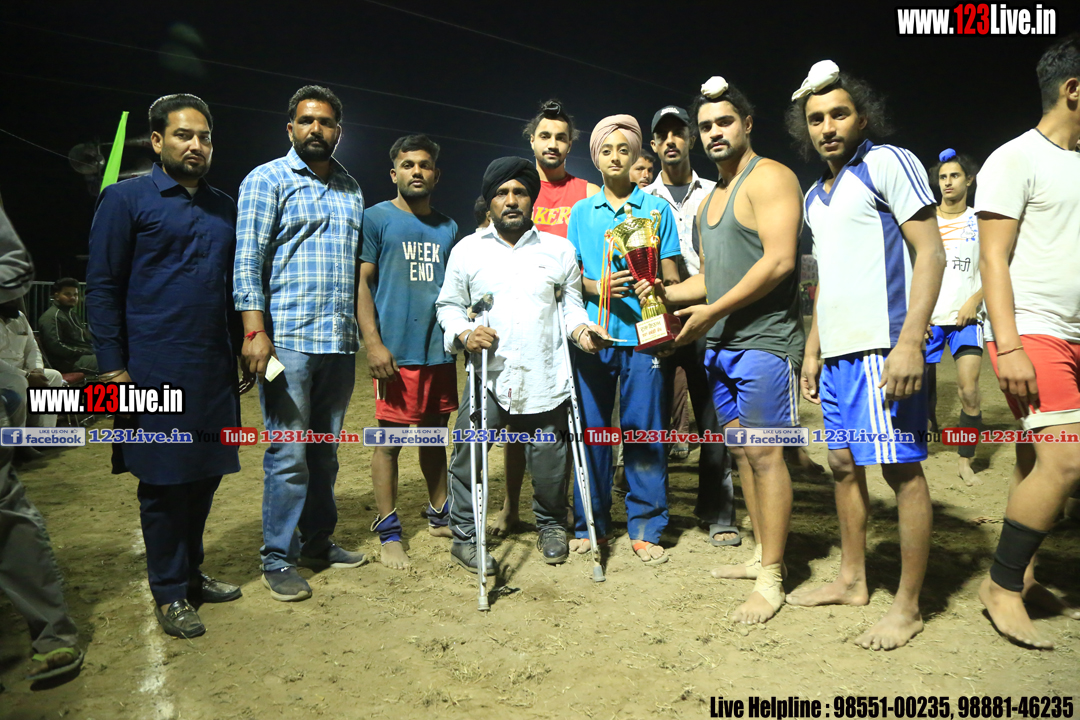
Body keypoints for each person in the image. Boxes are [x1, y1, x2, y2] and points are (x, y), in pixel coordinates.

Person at [786, 61, 944, 650]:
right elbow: (825, 279)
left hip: (886, 347)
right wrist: (813, 350)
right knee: (843, 466)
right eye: (816, 119)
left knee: (901, 470)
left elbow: (930, 254)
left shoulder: (888, 163)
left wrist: (911, 342)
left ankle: (908, 607)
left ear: (862, 117)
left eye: (839, 114)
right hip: (837, 356)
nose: (827, 127)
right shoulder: (813, 198)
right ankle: (852, 580)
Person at [642, 78, 805, 623]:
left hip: (765, 342)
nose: (715, 132)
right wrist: (661, 293)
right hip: (721, 347)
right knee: (741, 453)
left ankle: (772, 577)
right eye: (707, 125)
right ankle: (760, 554)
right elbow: (712, 278)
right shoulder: (710, 201)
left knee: (765, 455)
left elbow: (779, 261)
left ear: (747, 124)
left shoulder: (771, 177)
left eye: (724, 122)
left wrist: (712, 311)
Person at [86, 94, 244, 638]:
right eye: (183, 135)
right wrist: (113, 369)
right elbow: (101, 287)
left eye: (204, 137)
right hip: (149, 371)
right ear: (157, 141)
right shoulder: (124, 199)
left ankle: (192, 574)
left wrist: (243, 345)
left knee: (205, 476)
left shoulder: (224, 206)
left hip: (212, 370)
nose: (195, 145)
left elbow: (232, 288)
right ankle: (170, 591)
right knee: (162, 483)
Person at [435, 157, 610, 572]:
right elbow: (449, 305)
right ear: (490, 201)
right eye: (502, 193)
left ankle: (551, 525)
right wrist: (464, 333)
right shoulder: (467, 250)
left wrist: (583, 331)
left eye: (520, 192)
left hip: (544, 376)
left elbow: (572, 307)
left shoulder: (558, 250)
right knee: (468, 457)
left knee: (550, 463)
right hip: (488, 376)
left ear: (532, 199)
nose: (511, 200)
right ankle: (465, 538)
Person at [234, 85, 366, 602]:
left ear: (338, 132)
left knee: (324, 452)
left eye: (326, 122)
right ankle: (277, 558)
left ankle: (317, 542)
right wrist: (254, 331)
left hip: (338, 341)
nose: (316, 129)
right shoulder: (266, 179)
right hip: (286, 342)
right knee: (289, 453)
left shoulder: (351, 188)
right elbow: (247, 260)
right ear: (290, 128)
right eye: (307, 121)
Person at [976, 33, 1080, 649]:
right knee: (1067, 458)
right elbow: (993, 258)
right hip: (1032, 329)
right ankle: (1001, 585)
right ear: (1074, 89)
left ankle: (1028, 575)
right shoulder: (1014, 158)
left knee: (1035, 459)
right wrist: (1009, 344)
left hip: (1075, 333)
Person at [567, 115, 680, 565]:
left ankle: (646, 526)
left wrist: (659, 288)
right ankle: (589, 522)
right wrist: (599, 287)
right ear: (595, 157)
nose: (615, 156)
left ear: (636, 154)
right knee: (593, 432)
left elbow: (671, 274)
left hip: (644, 337)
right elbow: (571, 278)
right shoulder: (581, 213)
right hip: (595, 338)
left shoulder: (656, 210)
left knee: (644, 431)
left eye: (623, 149)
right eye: (606, 149)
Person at [490, 101, 603, 540]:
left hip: (572, 320)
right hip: (524, 323)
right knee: (516, 417)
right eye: (545, 136)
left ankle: (563, 506)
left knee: (565, 422)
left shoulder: (588, 192)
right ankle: (509, 506)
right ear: (532, 140)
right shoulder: (514, 189)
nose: (552, 144)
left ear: (570, 144)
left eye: (561, 137)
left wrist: (578, 288)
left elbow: (596, 263)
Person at [356, 135, 458, 570]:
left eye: (425, 164)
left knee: (434, 436)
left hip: (438, 352)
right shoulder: (376, 218)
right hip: (395, 355)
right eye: (408, 164)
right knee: (390, 442)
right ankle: (389, 531)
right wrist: (374, 343)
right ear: (394, 173)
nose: (417, 171)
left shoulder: (448, 227)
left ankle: (439, 515)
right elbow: (362, 283)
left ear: (436, 174)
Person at [642, 103, 740, 548]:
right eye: (662, 134)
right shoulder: (642, 200)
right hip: (658, 318)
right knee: (653, 416)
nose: (671, 141)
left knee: (712, 416)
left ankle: (717, 510)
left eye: (678, 132)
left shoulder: (716, 192)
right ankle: (652, 513)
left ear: (690, 138)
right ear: (653, 144)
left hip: (707, 313)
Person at [0, 206, 83, 681]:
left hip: (13, 379)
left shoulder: (18, 316)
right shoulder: (52, 314)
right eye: (69, 291)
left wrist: (35, 370)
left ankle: (52, 632)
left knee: (5, 508)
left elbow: (14, 266)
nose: (73, 296)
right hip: (11, 377)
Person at [924, 149, 984, 486]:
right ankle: (922, 434)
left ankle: (965, 461)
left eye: (955, 176)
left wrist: (974, 301)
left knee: (969, 391)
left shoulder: (980, 220)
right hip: (928, 319)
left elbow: (995, 267)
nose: (947, 182)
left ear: (969, 180)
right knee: (916, 392)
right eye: (943, 177)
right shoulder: (925, 220)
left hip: (966, 320)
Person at [0, 300, 63, 433]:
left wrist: (37, 370)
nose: (15, 301)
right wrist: (27, 376)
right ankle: (19, 438)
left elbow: (32, 347)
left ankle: (44, 434)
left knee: (54, 377)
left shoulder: (20, 317)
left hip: (22, 371)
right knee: (19, 382)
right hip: (4, 374)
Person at [37, 278, 98, 375]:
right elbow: (56, 347)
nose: (73, 297)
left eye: (75, 294)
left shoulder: (71, 314)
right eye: (67, 294)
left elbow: (85, 338)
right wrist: (85, 351)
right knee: (111, 362)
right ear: (57, 296)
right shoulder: (51, 317)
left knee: (115, 356)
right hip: (67, 362)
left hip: (79, 357)